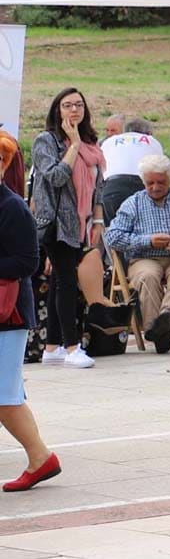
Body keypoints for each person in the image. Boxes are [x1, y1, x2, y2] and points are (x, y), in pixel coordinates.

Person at [31, 87, 108, 369]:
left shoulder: (91, 143)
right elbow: (55, 177)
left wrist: (97, 220)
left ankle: (52, 348)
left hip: (82, 223)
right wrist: (73, 146)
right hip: (56, 223)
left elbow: (99, 185)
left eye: (78, 105)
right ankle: (72, 346)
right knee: (66, 281)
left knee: (59, 283)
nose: (74, 110)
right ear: (57, 110)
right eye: (67, 105)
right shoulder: (46, 141)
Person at [103, 154, 170, 353]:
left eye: (160, 182)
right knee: (147, 277)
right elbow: (113, 237)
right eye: (150, 182)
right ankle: (163, 328)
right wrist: (148, 240)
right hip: (145, 257)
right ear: (143, 181)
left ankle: (164, 323)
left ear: (169, 179)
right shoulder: (133, 203)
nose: (155, 187)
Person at [0, 132, 60, 492]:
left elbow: (27, 261)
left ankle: (41, 458)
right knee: (7, 394)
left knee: (5, 398)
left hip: (8, 315)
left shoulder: (12, 207)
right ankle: (40, 458)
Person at [99, 118, 164, 225]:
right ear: (149, 133)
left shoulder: (109, 141)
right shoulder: (152, 141)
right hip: (142, 187)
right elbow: (161, 171)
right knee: (145, 230)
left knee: (113, 231)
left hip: (111, 188)